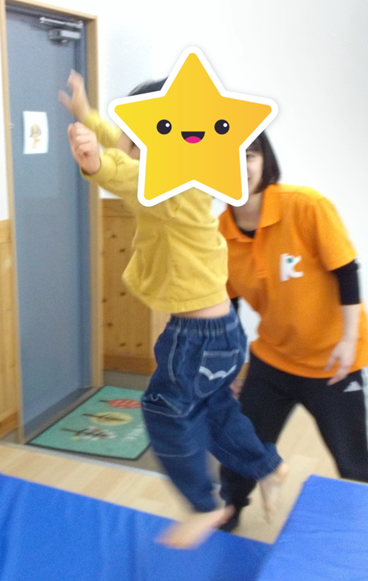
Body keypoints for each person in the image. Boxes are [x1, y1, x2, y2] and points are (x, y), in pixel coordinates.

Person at [59, 71, 288, 549]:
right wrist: (88, 116)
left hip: (197, 339)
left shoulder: (170, 189)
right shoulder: (186, 180)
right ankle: (266, 466)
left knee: (163, 410)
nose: (123, 145)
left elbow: (126, 170)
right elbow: (125, 151)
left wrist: (96, 163)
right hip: (218, 333)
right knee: (216, 409)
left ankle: (206, 507)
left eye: (133, 141)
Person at [217, 131, 368, 531]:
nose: (240, 166)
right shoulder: (219, 234)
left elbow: (346, 271)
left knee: (359, 462)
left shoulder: (306, 206)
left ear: (264, 160)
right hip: (274, 359)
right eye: (226, 157)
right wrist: (226, 369)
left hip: (338, 361)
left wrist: (348, 340)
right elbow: (228, 307)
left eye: (249, 154)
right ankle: (230, 508)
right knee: (241, 442)